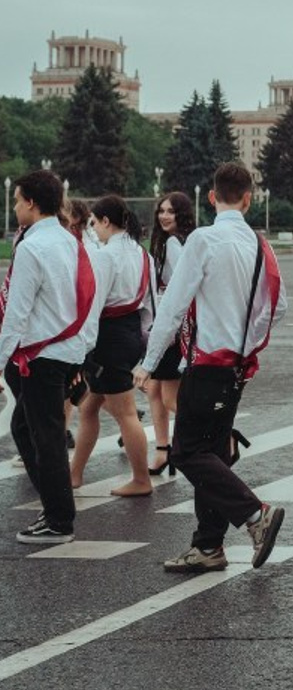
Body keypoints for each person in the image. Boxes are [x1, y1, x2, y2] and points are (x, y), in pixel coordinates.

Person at [134, 162, 288, 573]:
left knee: (186, 451)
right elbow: (279, 307)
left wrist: (148, 363)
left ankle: (256, 515)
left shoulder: (203, 240)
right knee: (213, 452)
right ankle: (207, 545)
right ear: (250, 199)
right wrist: (245, 342)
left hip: (205, 365)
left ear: (212, 198)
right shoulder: (260, 245)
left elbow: (172, 305)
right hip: (236, 367)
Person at [1, 170, 97, 544]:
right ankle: (56, 507)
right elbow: (88, 295)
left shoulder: (32, 247)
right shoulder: (71, 241)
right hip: (66, 348)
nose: (13, 205)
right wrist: (82, 351)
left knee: (46, 436)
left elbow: (17, 313)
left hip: (42, 354)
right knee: (28, 429)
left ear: (31, 202)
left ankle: (59, 519)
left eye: (16, 199)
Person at [69, 196, 153, 497]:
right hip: (130, 332)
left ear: (105, 221)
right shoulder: (142, 254)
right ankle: (74, 473)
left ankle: (142, 479)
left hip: (108, 336)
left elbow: (94, 304)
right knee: (89, 406)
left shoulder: (106, 256)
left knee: (125, 413)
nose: (94, 229)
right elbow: (150, 304)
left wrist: (82, 347)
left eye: (94, 223)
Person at [143, 192, 197, 478]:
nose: (164, 216)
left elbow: (180, 291)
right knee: (153, 390)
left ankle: (218, 433)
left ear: (182, 215)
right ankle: (163, 449)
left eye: (171, 212)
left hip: (171, 328)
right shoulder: (178, 241)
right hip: (172, 326)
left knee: (169, 399)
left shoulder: (175, 244)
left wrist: (170, 329)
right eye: (161, 211)